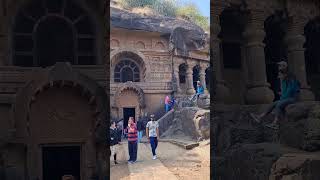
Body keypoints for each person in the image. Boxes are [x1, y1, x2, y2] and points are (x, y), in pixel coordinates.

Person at [250, 61, 300, 130]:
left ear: (285, 67)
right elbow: (284, 91)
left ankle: (275, 123)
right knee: (273, 104)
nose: (279, 68)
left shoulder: (290, 76)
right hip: (286, 98)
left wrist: (283, 97)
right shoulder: (283, 78)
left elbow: (290, 90)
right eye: (279, 66)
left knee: (279, 104)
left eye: (280, 66)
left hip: (292, 98)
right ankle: (260, 117)